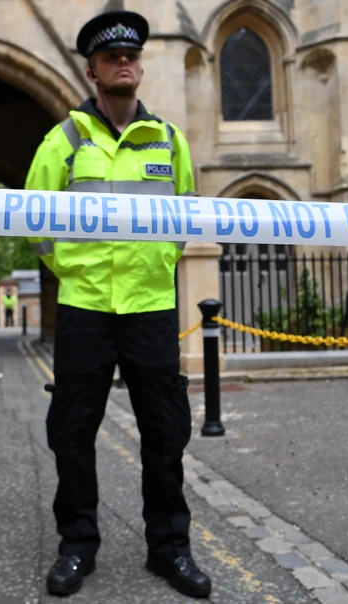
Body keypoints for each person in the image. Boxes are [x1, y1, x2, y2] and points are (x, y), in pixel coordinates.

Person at [25, 9, 211, 599]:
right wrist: (74, 271)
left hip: (150, 307)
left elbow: (185, 216)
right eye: (111, 58)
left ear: (139, 65)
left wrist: (155, 266)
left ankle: (170, 550)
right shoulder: (63, 141)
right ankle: (77, 547)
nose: (123, 63)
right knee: (73, 433)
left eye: (130, 55)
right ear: (92, 71)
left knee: (164, 434)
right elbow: (36, 222)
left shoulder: (169, 140)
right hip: (85, 308)